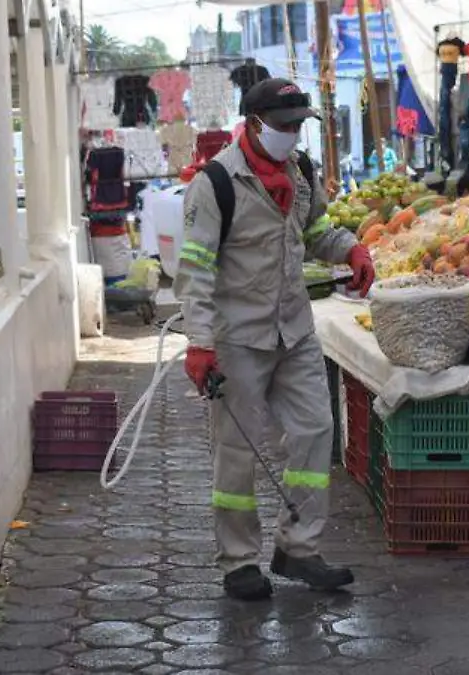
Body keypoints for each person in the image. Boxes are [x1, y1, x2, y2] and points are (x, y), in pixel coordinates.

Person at [175, 78, 376, 601]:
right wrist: (199, 345)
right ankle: (239, 561)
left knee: (315, 431)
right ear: (255, 122)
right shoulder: (215, 183)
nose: (292, 135)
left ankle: (299, 549)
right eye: (284, 126)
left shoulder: (301, 172)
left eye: (298, 126)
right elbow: (194, 272)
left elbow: (317, 234)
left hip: (295, 329)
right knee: (236, 451)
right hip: (237, 338)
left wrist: (352, 250)